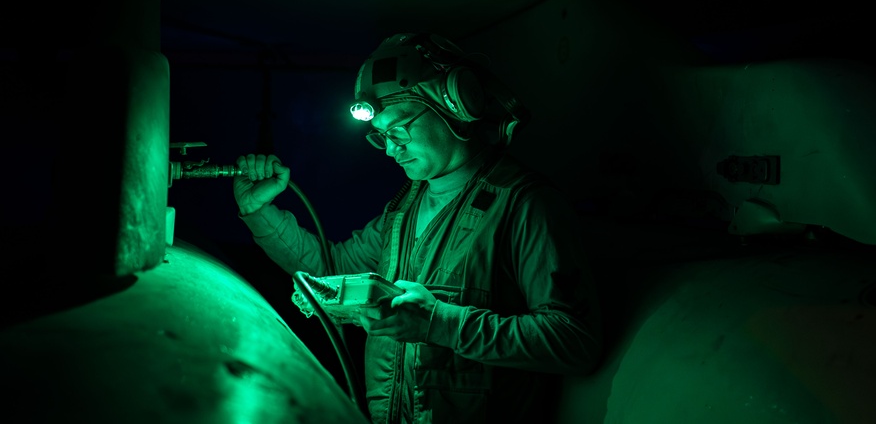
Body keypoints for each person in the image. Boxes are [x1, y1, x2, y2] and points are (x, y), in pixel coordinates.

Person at [233, 32, 603, 424]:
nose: (391, 150)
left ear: (454, 106)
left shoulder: (525, 205)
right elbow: (331, 269)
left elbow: (574, 341)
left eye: (399, 131)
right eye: (381, 136)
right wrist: (259, 211)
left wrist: (438, 322)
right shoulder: (406, 207)